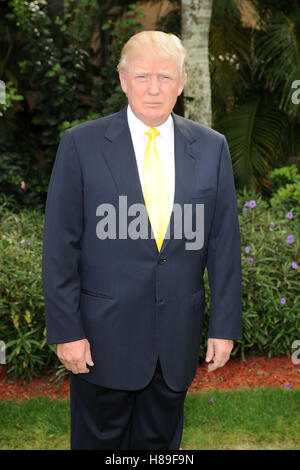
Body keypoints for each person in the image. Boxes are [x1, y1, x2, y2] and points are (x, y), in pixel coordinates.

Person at [42, 30, 242, 450]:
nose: (154, 88)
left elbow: (223, 246)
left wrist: (224, 327)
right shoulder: (80, 144)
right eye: (143, 76)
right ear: (123, 79)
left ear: (182, 82)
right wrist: (66, 331)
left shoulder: (211, 148)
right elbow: (60, 247)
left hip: (174, 343)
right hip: (99, 344)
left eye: (166, 77)